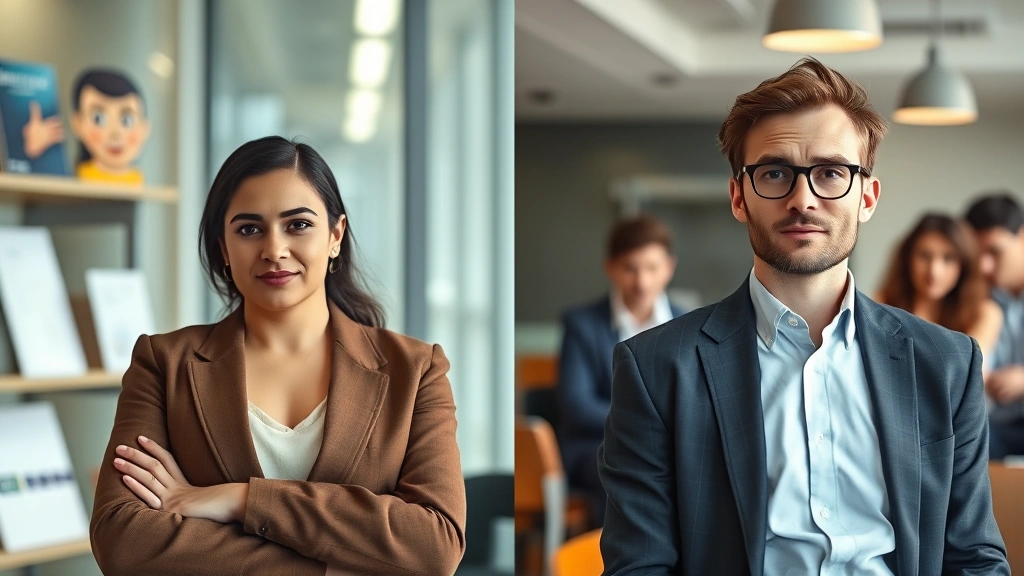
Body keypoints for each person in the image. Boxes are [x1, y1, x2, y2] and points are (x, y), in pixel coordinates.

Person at [599, 59, 1007, 575]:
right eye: (774, 173)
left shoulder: (947, 363)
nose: (803, 200)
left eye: (831, 173)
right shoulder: (656, 368)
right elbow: (640, 567)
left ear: (867, 197)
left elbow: (973, 558)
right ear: (738, 197)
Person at [90, 136, 466, 575]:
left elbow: (436, 545)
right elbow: (122, 541)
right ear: (223, 248)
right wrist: (335, 568)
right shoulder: (163, 363)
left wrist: (243, 499)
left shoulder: (417, 370)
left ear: (335, 236)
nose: (274, 250)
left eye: (298, 224)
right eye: (249, 229)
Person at [557, 214, 683, 527]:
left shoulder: (688, 323)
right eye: (630, 268)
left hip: (669, 446)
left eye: (652, 268)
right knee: (625, 467)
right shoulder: (582, 325)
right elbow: (577, 405)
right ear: (611, 267)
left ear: (669, 267)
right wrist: (647, 427)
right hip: (597, 446)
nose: (642, 282)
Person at [877, 213, 1002, 365]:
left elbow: (964, 368)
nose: (934, 271)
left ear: (964, 265)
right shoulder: (882, 305)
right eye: (925, 256)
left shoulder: (984, 313)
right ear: (908, 259)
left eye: (948, 258)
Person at [966, 193, 1024, 458]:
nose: (984, 266)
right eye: (977, 254)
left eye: (995, 251)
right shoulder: (980, 300)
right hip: (996, 428)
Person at [70, 68, 151, 184]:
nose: (115, 133)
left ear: (144, 129)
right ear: (77, 124)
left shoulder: (138, 181)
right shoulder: (78, 179)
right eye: (98, 119)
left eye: (127, 120)